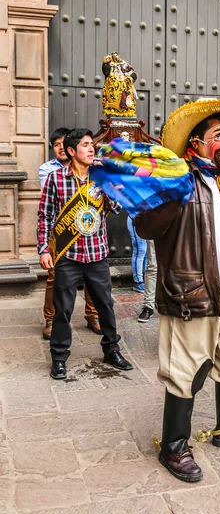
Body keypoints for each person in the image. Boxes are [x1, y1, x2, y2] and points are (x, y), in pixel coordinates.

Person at [134, 99, 220, 483]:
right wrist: (167, 191)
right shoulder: (179, 181)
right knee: (188, 369)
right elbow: (146, 228)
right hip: (193, 294)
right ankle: (174, 446)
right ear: (195, 144)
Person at [37, 128, 133, 380]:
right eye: (86, 145)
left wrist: (111, 187)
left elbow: (116, 208)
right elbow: (45, 216)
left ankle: (112, 350)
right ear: (71, 151)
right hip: (68, 256)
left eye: (92, 145)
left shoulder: (100, 178)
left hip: (97, 254)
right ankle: (59, 357)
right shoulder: (55, 179)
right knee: (63, 309)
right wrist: (44, 249)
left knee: (106, 307)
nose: (92, 149)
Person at [39, 128, 100, 340]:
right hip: (62, 234)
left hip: (89, 233)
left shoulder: (94, 172)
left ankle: (93, 315)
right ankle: (51, 319)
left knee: (94, 279)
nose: (60, 149)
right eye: (56, 145)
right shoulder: (49, 172)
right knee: (55, 279)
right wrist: (44, 248)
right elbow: (46, 210)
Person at [137, 239, 157, 322]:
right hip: (155, 228)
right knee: (152, 265)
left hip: (177, 228)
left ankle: (176, 302)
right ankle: (148, 306)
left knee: (176, 265)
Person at [127, 215, 147, 292]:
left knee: (146, 253)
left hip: (145, 221)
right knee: (140, 251)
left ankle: (146, 280)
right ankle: (138, 282)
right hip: (136, 220)